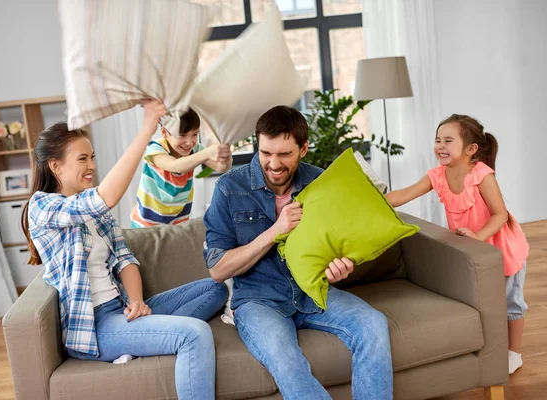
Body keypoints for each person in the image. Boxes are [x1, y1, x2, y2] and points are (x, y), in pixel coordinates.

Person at [21, 100, 228, 399]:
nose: (92, 165)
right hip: (96, 325)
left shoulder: (95, 210)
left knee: (217, 288)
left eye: (92, 157)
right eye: (82, 159)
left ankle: (147, 335)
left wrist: (136, 303)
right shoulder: (42, 206)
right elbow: (107, 197)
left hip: (122, 310)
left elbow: (124, 259)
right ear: (55, 165)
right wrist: (147, 129)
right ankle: (153, 336)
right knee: (193, 335)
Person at [203, 105, 393, 399]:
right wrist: (274, 231)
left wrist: (339, 268)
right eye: (266, 153)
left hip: (312, 292)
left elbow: (334, 246)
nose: (273, 163)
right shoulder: (230, 188)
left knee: (373, 323)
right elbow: (217, 269)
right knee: (285, 357)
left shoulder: (319, 183)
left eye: (284, 154)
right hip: (258, 301)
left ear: (303, 149)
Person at [386, 114, 529, 375]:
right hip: (474, 251)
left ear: (471, 149)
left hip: (503, 247)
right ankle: (492, 346)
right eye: (438, 140)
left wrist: (479, 236)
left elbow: (500, 214)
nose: (440, 145)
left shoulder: (482, 175)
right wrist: (374, 199)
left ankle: (513, 354)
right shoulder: (437, 175)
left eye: (448, 140)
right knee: (483, 299)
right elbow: (404, 194)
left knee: (512, 303)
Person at [131, 108, 232, 227]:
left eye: (194, 134)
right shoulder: (155, 148)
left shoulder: (195, 150)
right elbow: (176, 166)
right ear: (164, 132)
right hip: (146, 223)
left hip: (177, 222)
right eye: (182, 135)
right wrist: (207, 153)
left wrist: (226, 155)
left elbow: (221, 168)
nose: (189, 142)